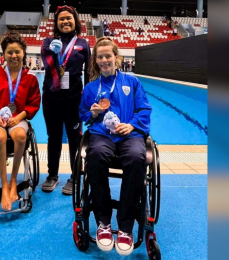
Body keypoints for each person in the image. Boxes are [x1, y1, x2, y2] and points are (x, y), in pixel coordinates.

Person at [79, 37, 151, 256]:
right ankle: (103, 222)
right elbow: (83, 115)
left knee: (137, 158)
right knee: (96, 155)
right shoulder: (91, 88)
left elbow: (144, 110)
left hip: (129, 135)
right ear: (95, 60)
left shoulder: (132, 82)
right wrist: (91, 114)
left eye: (108, 56)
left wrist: (131, 125)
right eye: (100, 57)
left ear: (116, 57)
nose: (104, 60)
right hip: (103, 135)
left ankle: (126, 227)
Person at [0, 33, 41, 211]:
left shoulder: (31, 78)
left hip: (17, 119)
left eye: (17, 52)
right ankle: (4, 186)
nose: (14, 56)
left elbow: (34, 103)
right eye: (10, 52)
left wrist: (18, 118)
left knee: (20, 135)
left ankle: (14, 181)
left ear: (24, 53)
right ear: (3, 54)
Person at [41, 5, 90, 195]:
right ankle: (52, 174)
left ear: (75, 21)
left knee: (74, 139)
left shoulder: (83, 44)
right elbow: (47, 62)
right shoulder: (48, 42)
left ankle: (75, 176)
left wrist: (87, 98)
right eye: (61, 19)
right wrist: (54, 52)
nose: (65, 22)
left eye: (68, 18)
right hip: (51, 99)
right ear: (56, 23)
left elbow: (88, 74)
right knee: (53, 137)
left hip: (74, 100)